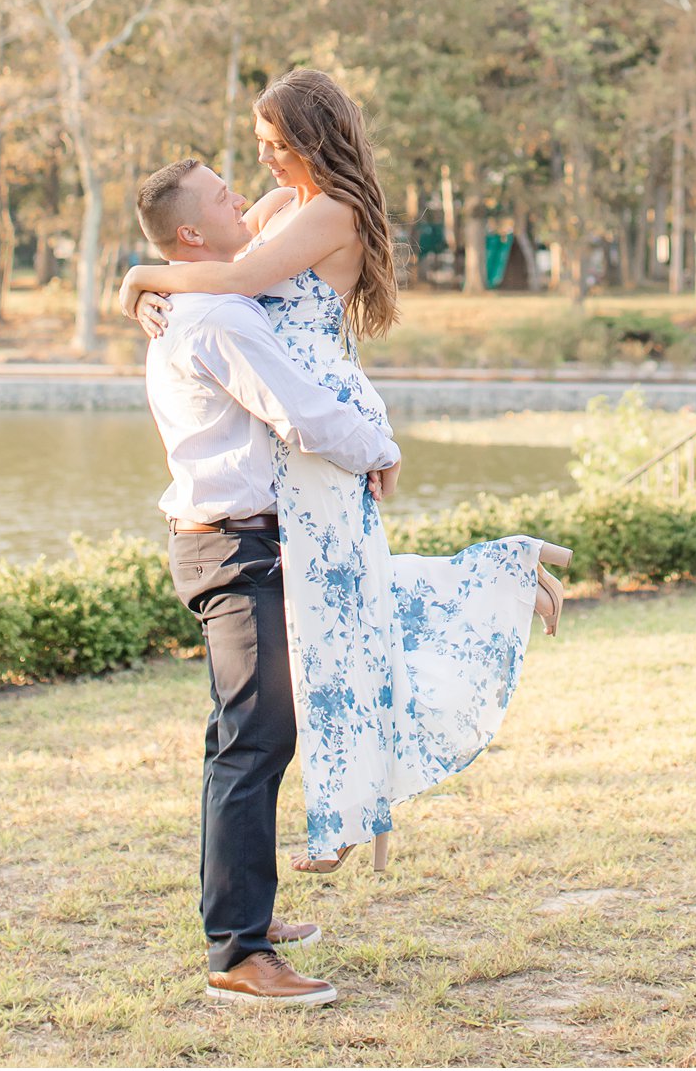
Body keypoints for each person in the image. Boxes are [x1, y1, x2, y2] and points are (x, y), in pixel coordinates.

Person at [123, 68, 571, 890]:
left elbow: (230, 278)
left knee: (341, 615)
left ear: (307, 139)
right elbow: (207, 250)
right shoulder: (282, 205)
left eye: (269, 143)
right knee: (334, 614)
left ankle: (347, 805)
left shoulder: (333, 210)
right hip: (291, 426)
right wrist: (151, 280)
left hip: (319, 421)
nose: (257, 160)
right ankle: (345, 804)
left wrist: (135, 282)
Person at [135, 152, 401, 1010]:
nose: (241, 194)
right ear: (190, 231)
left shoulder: (203, 299)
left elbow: (291, 204)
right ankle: (238, 952)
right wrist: (381, 448)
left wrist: (136, 276)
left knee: (245, 737)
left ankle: (244, 915)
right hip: (234, 550)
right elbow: (304, 412)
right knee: (253, 740)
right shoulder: (216, 318)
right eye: (222, 195)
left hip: (234, 544)